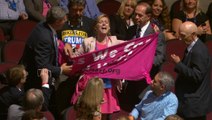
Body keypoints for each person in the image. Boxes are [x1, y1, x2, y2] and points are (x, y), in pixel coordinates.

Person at [67, 14, 123, 120]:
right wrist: (66, 46)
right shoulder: (87, 42)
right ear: (96, 27)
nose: (104, 24)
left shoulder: (115, 42)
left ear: (110, 27)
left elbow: (131, 46)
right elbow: (76, 59)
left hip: (106, 85)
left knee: (103, 116)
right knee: (87, 114)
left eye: (106, 22)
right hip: (90, 84)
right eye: (101, 22)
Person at [124, 2, 166, 108]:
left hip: (146, 82)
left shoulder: (156, 34)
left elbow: (160, 57)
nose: (136, 17)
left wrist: (143, 65)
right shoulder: (131, 30)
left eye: (140, 15)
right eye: (135, 14)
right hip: (130, 81)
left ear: (148, 16)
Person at [21, 6, 72, 90]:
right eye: (64, 20)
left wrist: (65, 43)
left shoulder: (46, 23)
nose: (65, 21)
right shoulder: (44, 38)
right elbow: (42, 66)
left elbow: (56, 33)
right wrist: (61, 70)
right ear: (57, 22)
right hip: (36, 80)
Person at [171, 21, 212, 120]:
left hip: (194, 103)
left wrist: (179, 64)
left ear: (193, 35)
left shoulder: (199, 51)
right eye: (179, 35)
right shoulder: (192, 47)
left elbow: (197, 75)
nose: (180, 38)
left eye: (183, 35)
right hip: (189, 100)